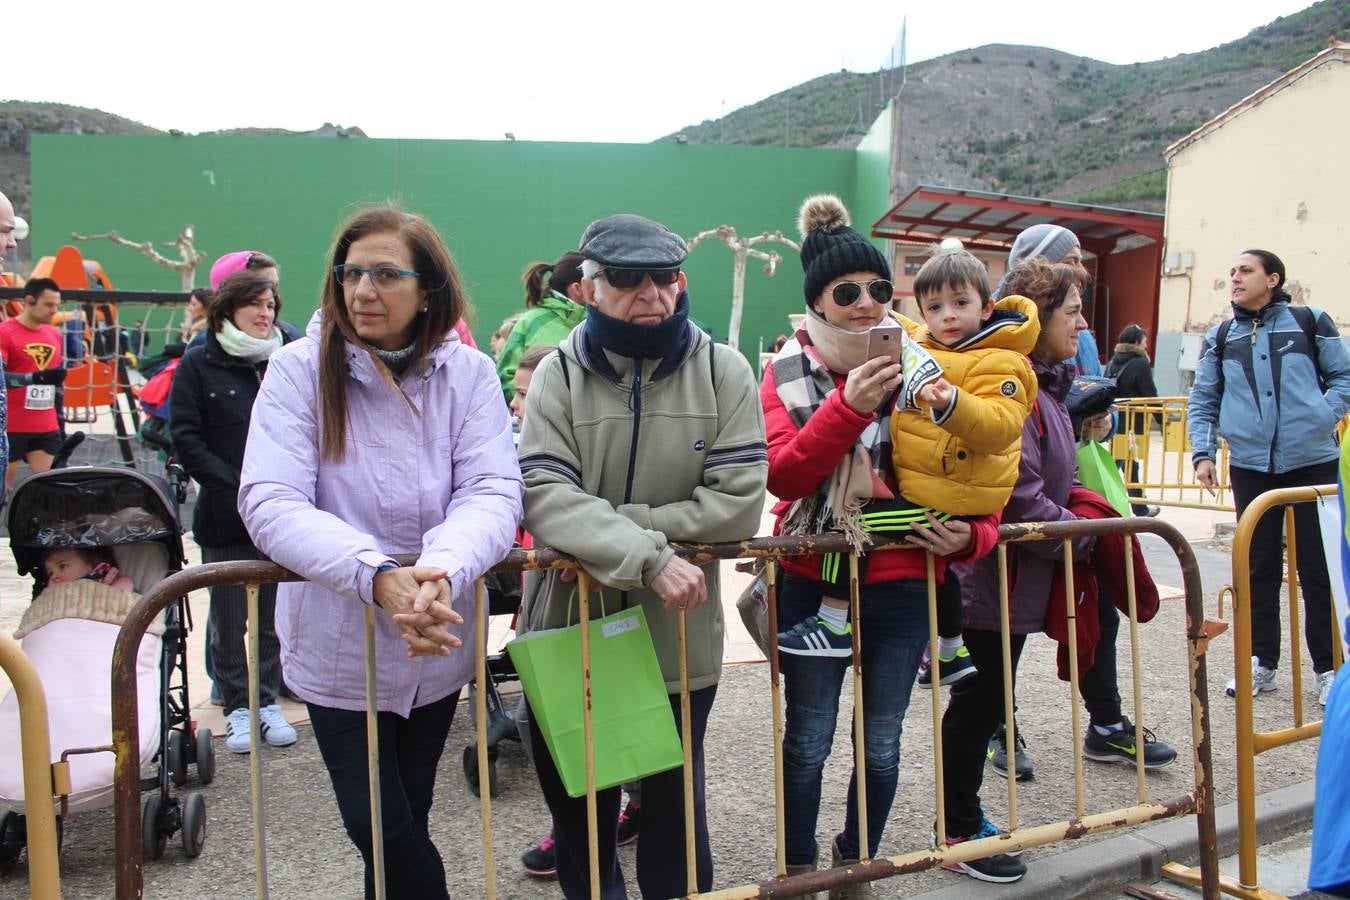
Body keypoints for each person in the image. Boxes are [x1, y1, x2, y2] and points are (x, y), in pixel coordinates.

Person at [240, 205, 522, 899]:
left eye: (386, 274)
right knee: (382, 828)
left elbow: (491, 489)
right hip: (343, 637)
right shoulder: (299, 370)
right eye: (351, 272)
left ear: (428, 288)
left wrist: (442, 569)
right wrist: (376, 576)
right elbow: (271, 500)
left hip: (437, 629)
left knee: (409, 815)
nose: (364, 290)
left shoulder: (470, 374)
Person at [518, 212, 766, 899]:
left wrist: (610, 532)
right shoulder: (557, 376)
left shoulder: (725, 371)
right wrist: (651, 556)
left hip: (678, 633)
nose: (651, 292)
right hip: (570, 627)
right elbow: (541, 492)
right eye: (628, 278)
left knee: (673, 813)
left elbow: (740, 504)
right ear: (589, 287)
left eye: (664, 276)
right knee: (582, 815)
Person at [761, 196, 999, 898]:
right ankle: (800, 865)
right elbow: (784, 473)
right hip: (812, 574)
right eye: (847, 293)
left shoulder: (930, 364)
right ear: (818, 303)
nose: (866, 304)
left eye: (877, 289)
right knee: (808, 739)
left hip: (903, 578)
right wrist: (849, 407)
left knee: (884, 741)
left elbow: (977, 471)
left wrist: (973, 535)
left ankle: (857, 861)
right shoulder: (784, 371)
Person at [938, 257, 1176, 884]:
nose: (1081, 324)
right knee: (979, 701)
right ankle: (958, 830)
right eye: (1072, 312)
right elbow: (1015, 492)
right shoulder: (1013, 386)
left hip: (1012, 578)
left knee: (987, 698)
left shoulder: (1047, 386)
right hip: (993, 579)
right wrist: (1079, 535)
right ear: (1037, 317)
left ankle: (962, 820)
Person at [1190, 249, 1350, 708]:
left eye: (1245, 270)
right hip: (1251, 467)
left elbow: (1344, 378)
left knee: (1317, 570)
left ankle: (1329, 669)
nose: (1234, 278)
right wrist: (1202, 453)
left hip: (1313, 462)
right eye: (1232, 270)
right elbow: (1204, 397)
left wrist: (1322, 416)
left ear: (1273, 279)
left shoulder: (1309, 321)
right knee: (1256, 568)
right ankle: (1262, 662)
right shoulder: (1222, 336)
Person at [511, 338, 643, 879]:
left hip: (594, 598)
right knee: (543, 720)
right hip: (541, 594)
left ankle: (626, 809)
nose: (519, 404)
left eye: (526, 394)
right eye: (515, 394)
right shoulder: (517, 440)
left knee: (607, 726)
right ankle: (583, 828)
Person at [894, 250, 1039, 688]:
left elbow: (1000, 426)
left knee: (861, 527)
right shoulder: (921, 346)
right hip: (931, 487)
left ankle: (835, 615)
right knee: (933, 572)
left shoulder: (1004, 361)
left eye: (960, 303)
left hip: (958, 492)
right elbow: (890, 323)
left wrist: (951, 403)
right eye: (936, 307)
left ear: (986, 306)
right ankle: (948, 647)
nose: (949, 316)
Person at [170, 270, 298, 754]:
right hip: (225, 515)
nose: (266, 314)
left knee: (271, 619)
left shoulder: (286, 360)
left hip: (282, 516)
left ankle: (266, 702)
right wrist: (237, 485)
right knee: (228, 620)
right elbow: (187, 436)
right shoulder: (200, 362)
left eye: (271, 306)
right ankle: (237, 707)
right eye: (257, 305)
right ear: (229, 309)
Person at [997, 223, 1101, 375]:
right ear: (1038, 276)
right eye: (1071, 262)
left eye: (1080, 261)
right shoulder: (1003, 350)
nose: (1082, 271)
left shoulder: (1083, 337)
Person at [1, 277, 67, 490]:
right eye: (48, 304)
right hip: (10, 427)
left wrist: (60, 421)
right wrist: (33, 378)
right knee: (3, 490)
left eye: (56, 304)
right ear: (29, 300)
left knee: (47, 491)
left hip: (45, 427)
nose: (53, 310)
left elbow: (55, 385)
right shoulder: (5, 332)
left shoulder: (54, 335)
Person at [497, 252, 588, 399]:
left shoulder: (597, 322)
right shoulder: (530, 321)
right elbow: (505, 376)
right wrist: (534, 408)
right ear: (577, 288)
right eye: (594, 282)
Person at [1104, 324, 1161, 517]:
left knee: (1129, 464)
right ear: (1137, 342)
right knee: (1116, 465)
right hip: (1131, 424)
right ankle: (1102, 502)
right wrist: (1163, 421)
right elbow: (1150, 395)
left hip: (1114, 420)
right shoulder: (1139, 363)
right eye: (1144, 341)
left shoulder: (1113, 361)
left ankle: (1140, 507)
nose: (1146, 346)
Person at [42, 546, 135, 591]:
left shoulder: (116, 587)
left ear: (94, 562)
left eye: (62, 566)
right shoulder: (51, 594)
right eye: (50, 573)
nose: (54, 576)